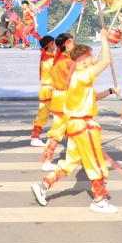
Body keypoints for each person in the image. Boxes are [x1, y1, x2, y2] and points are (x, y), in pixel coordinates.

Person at [31, 42, 120, 214]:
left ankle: (43, 185)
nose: (93, 60)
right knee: (97, 163)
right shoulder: (81, 75)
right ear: (84, 60)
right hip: (84, 126)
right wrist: (104, 39)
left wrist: (110, 90)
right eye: (90, 57)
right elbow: (106, 60)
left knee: (71, 161)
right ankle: (99, 200)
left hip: (76, 126)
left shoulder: (76, 77)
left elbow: (93, 97)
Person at [42, 33, 74, 171]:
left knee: (70, 130)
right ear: (67, 46)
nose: (74, 45)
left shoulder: (58, 61)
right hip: (65, 100)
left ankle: (74, 157)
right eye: (72, 43)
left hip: (58, 98)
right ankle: (47, 160)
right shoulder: (66, 63)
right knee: (58, 132)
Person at [29, 36, 56, 146]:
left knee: (44, 114)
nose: (55, 45)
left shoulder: (48, 57)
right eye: (53, 43)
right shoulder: (49, 60)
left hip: (47, 89)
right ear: (50, 45)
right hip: (50, 89)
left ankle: (35, 137)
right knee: (60, 113)